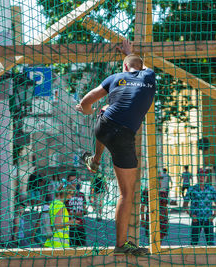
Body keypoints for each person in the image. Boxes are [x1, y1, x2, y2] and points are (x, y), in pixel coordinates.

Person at [76, 40, 155, 256]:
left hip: (102, 128)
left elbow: (85, 101)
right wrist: (130, 53)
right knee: (126, 192)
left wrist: (85, 110)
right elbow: (141, 66)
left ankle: (95, 160)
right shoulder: (150, 76)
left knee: (104, 110)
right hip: (123, 137)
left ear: (125, 68)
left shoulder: (115, 78)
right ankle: (121, 245)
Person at [183, 168, 216, 246]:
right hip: (196, 219)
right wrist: (191, 215)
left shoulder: (211, 189)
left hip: (208, 219)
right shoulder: (192, 189)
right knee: (194, 242)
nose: (202, 178)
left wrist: (214, 215)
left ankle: (212, 258)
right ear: (197, 177)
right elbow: (185, 205)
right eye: (200, 176)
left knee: (211, 243)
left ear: (206, 177)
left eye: (203, 176)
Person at [43, 184, 80, 248]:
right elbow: (57, 225)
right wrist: (70, 222)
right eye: (71, 194)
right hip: (59, 243)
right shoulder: (61, 206)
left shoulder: (54, 203)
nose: (71, 197)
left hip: (52, 241)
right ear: (66, 194)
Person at [65, 171, 87, 247]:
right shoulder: (65, 195)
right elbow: (63, 212)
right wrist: (76, 214)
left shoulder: (81, 195)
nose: (74, 183)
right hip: (70, 227)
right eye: (72, 181)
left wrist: (84, 212)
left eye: (75, 181)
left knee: (82, 249)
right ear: (68, 182)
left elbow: (85, 210)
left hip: (80, 226)